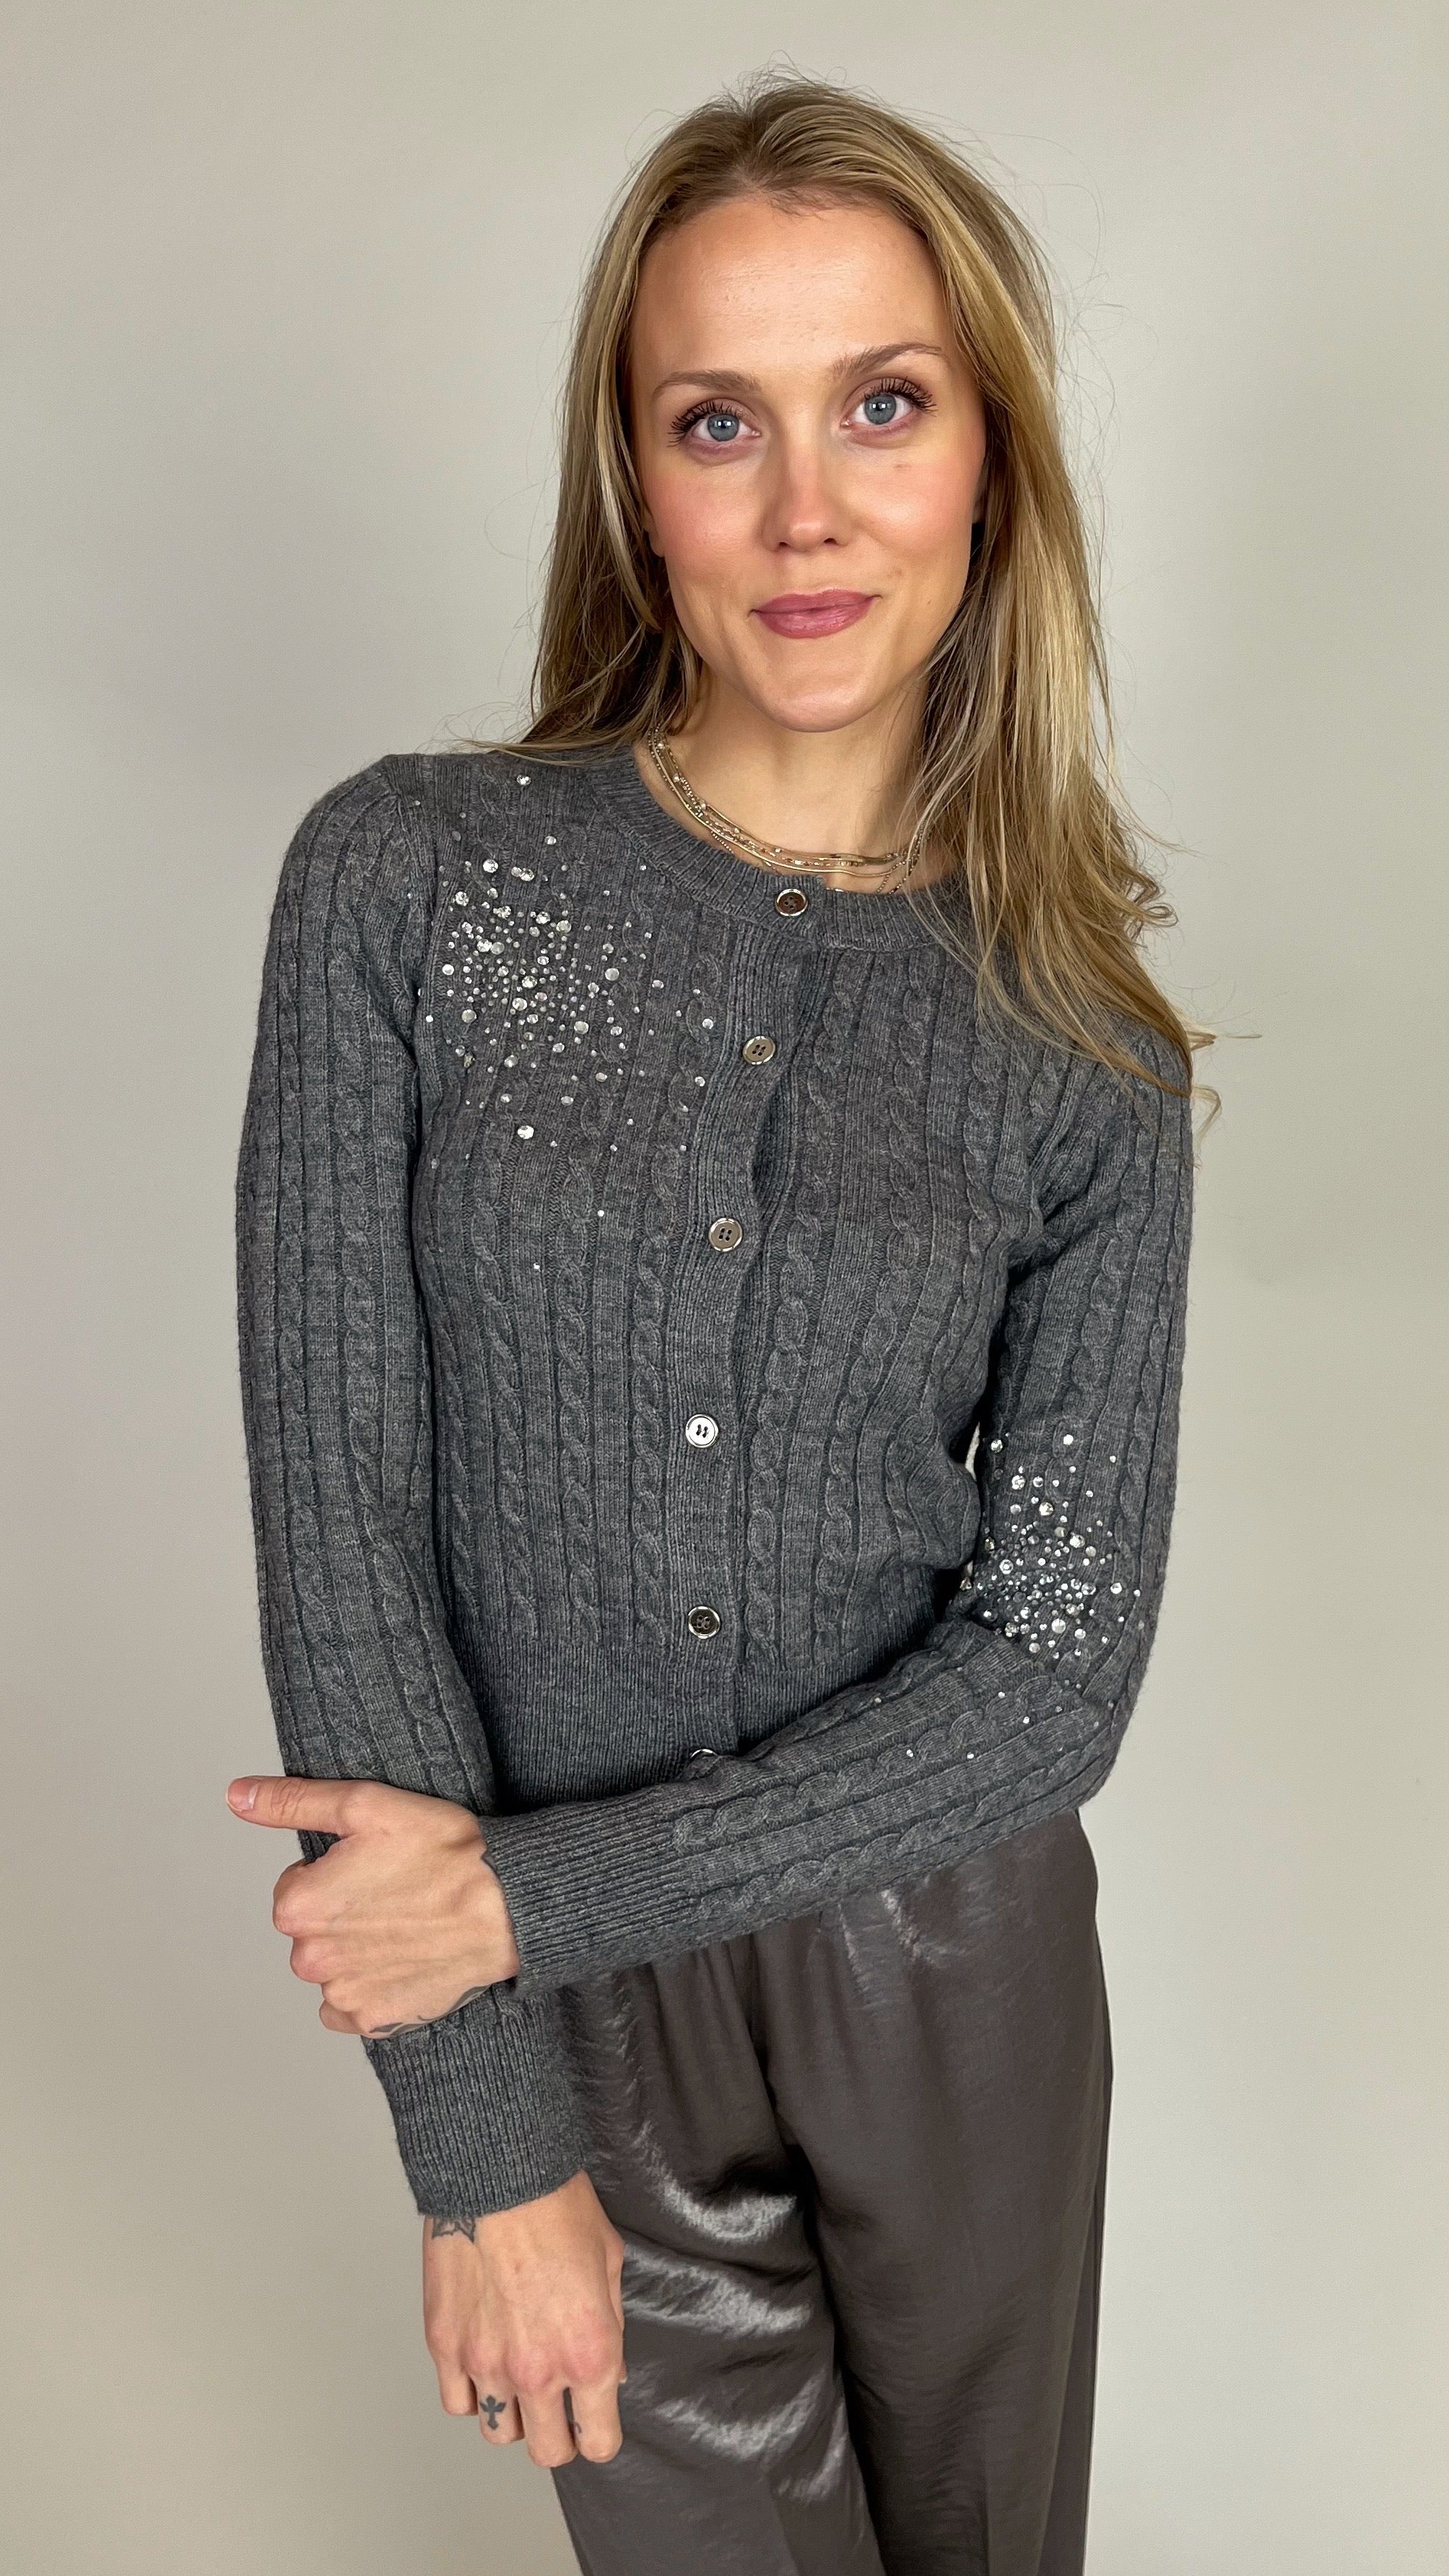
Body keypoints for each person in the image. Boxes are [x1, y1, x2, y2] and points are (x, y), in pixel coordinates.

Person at [228, 71, 1208, 2576]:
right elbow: (344, 1524)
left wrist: (524, 1902)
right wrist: (480, 2138)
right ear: (634, 478)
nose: (805, 510)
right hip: (567, 2027)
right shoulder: (409, 883)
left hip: (951, 1965)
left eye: (882, 404)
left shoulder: (1082, 1047)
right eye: (717, 420)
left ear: (988, 461)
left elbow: (1057, 1675)